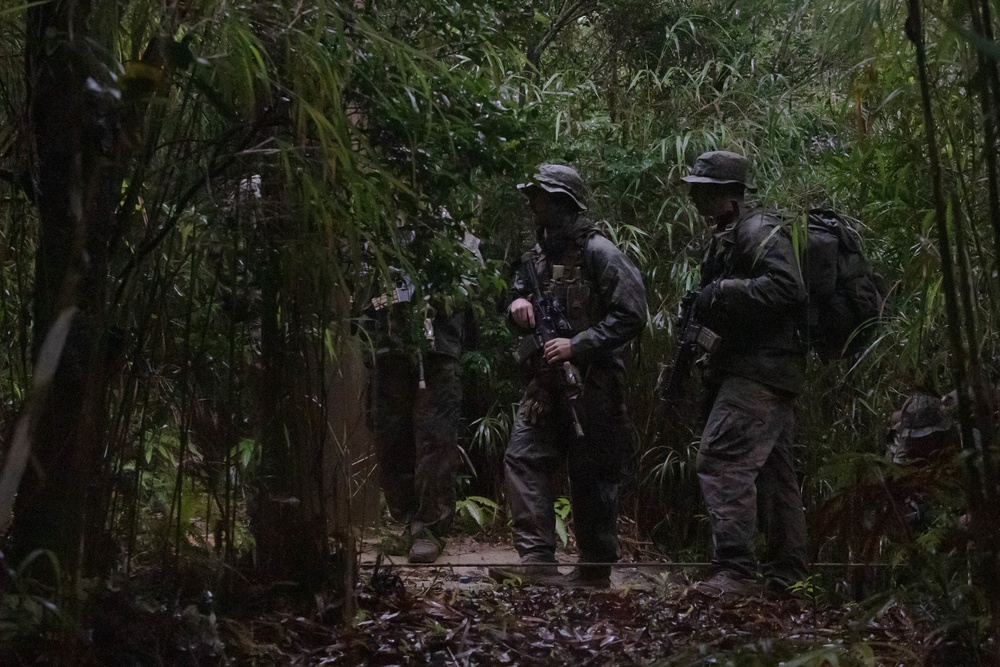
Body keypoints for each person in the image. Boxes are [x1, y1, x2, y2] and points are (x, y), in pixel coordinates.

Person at [491, 164, 647, 588]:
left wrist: (577, 346)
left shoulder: (601, 254)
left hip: (593, 387)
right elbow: (510, 297)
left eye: (539, 197)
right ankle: (538, 563)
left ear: (562, 203)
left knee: (592, 476)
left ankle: (594, 572)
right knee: (523, 459)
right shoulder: (534, 259)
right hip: (545, 386)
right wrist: (517, 306)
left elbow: (632, 315)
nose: (532, 204)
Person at [681, 150, 809, 598]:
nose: (694, 198)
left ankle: (735, 572)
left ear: (726, 195)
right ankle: (787, 577)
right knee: (774, 472)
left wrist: (724, 291)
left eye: (702, 191)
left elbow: (788, 288)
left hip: (761, 371)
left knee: (721, 460)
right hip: (759, 369)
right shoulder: (730, 235)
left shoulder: (757, 230)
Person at [368, 230, 481, 564]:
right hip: (390, 346)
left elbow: (473, 289)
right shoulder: (381, 229)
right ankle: (405, 519)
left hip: (438, 350)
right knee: (391, 435)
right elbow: (361, 288)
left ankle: (429, 528)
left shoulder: (454, 231)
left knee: (435, 439)